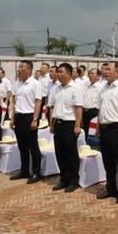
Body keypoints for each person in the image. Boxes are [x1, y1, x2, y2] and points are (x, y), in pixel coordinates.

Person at [96, 61, 118, 203]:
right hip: (104, 128)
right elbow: (100, 109)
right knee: (107, 161)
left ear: (117, 72)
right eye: (104, 69)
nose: (105, 72)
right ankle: (110, 188)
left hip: (116, 128)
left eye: (109, 69)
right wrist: (98, 127)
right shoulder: (102, 88)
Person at [48, 62, 84, 192]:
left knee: (71, 154)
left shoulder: (76, 88)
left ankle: (73, 180)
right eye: (57, 72)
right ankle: (63, 179)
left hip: (69, 124)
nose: (58, 74)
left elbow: (79, 108)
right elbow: (51, 106)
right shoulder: (55, 88)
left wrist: (77, 126)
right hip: (57, 123)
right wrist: (51, 123)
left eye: (60, 72)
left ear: (68, 74)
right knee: (60, 153)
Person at [10, 60, 44, 184]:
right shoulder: (17, 84)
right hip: (19, 117)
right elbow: (14, 102)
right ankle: (24, 171)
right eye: (19, 67)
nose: (19, 69)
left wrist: (35, 119)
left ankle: (36, 172)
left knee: (33, 147)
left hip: (30, 117)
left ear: (29, 69)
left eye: (22, 67)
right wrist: (12, 117)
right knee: (22, 146)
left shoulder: (35, 84)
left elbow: (38, 102)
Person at [82, 69, 102, 144]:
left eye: (92, 74)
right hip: (85, 112)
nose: (90, 75)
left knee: (93, 133)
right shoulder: (87, 86)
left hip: (94, 112)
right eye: (90, 74)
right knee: (86, 131)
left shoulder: (100, 87)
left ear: (98, 76)